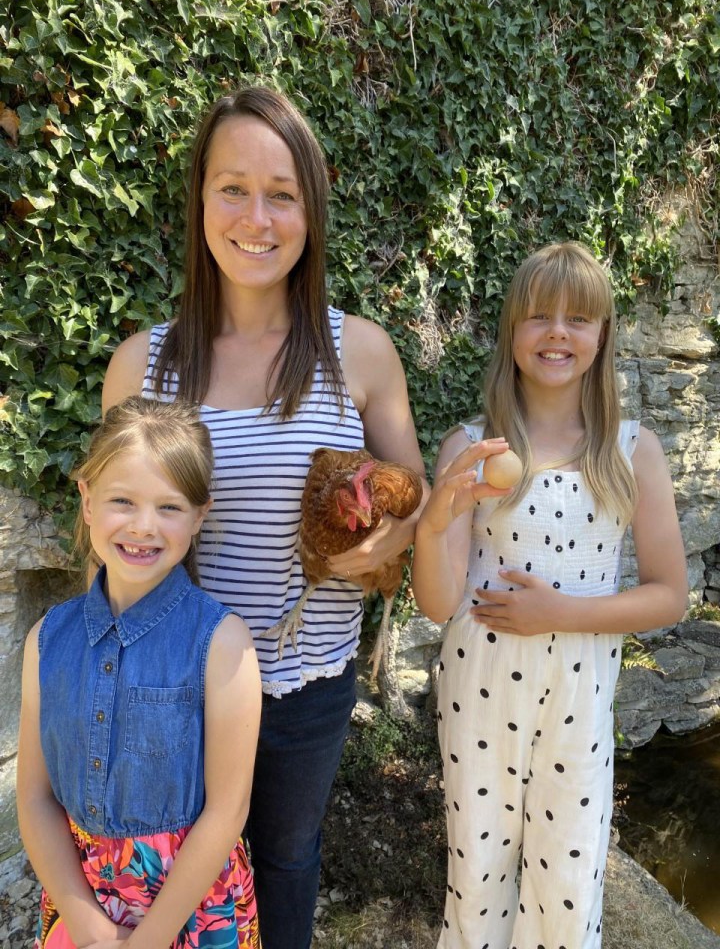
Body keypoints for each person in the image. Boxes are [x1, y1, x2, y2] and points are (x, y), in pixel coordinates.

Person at [101, 85, 428, 949]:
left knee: (285, 862)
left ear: (311, 210)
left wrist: (386, 542)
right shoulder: (143, 364)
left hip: (307, 685)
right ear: (200, 200)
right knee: (173, 875)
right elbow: (114, 536)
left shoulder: (358, 351)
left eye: (282, 192)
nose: (257, 215)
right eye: (232, 188)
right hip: (172, 686)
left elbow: (414, 500)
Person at [412, 242, 687, 949]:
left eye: (578, 318)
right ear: (512, 330)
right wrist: (435, 522)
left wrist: (562, 615)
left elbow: (670, 596)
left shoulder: (631, 451)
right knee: (477, 876)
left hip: (578, 697)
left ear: (602, 336)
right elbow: (438, 604)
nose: (558, 331)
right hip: (479, 695)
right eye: (538, 316)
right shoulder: (469, 447)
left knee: (566, 886)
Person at [17, 396, 262, 949]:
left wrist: (148, 938)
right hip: (81, 902)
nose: (144, 527)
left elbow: (228, 810)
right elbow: (34, 799)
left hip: (196, 908)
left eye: (170, 507)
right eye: (122, 501)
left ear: (200, 516)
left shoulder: (222, 645)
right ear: (86, 499)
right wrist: (89, 927)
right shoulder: (47, 641)